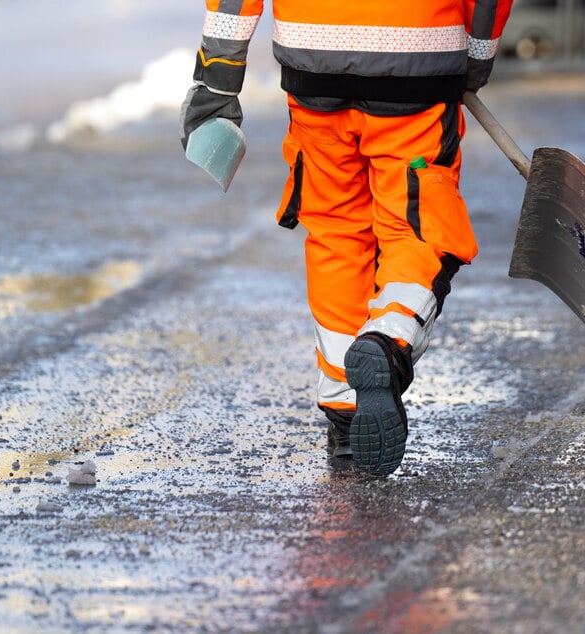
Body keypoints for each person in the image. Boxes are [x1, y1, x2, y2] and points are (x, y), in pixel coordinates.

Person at [181, 1, 513, 477]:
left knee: (336, 233)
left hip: (313, 60)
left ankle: (345, 412)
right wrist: (476, 59)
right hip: (416, 59)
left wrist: (217, 80)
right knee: (415, 229)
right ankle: (389, 340)